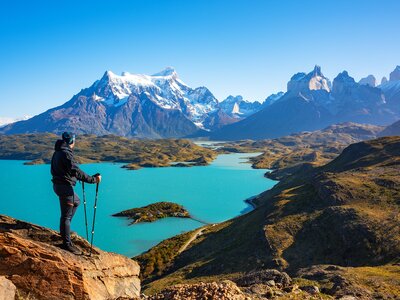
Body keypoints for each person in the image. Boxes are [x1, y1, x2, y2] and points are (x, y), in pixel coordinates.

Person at [51, 132, 101, 254]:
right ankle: (67, 244)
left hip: (59, 186)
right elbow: (76, 171)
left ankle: (65, 231)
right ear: (71, 141)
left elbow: (69, 171)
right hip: (65, 188)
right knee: (66, 216)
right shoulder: (66, 153)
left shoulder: (58, 151)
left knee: (76, 201)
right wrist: (93, 180)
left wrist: (82, 177)